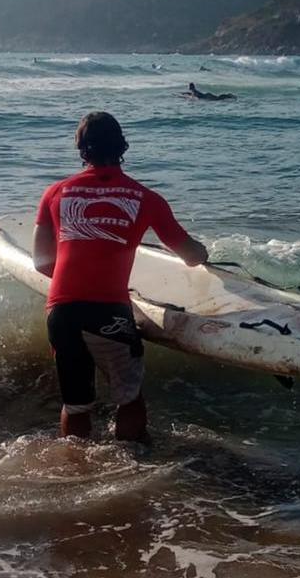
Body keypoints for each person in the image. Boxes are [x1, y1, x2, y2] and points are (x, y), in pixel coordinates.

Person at [33, 112, 208, 443]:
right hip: (109, 312)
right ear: (123, 146)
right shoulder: (147, 198)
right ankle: (132, 466)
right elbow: (191, 255)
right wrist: (204, 254)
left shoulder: (54, 193)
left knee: (76, 405)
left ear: (81, 149)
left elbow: (42, 262)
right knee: (129, 398)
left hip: (61, 312)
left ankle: (77, 470)